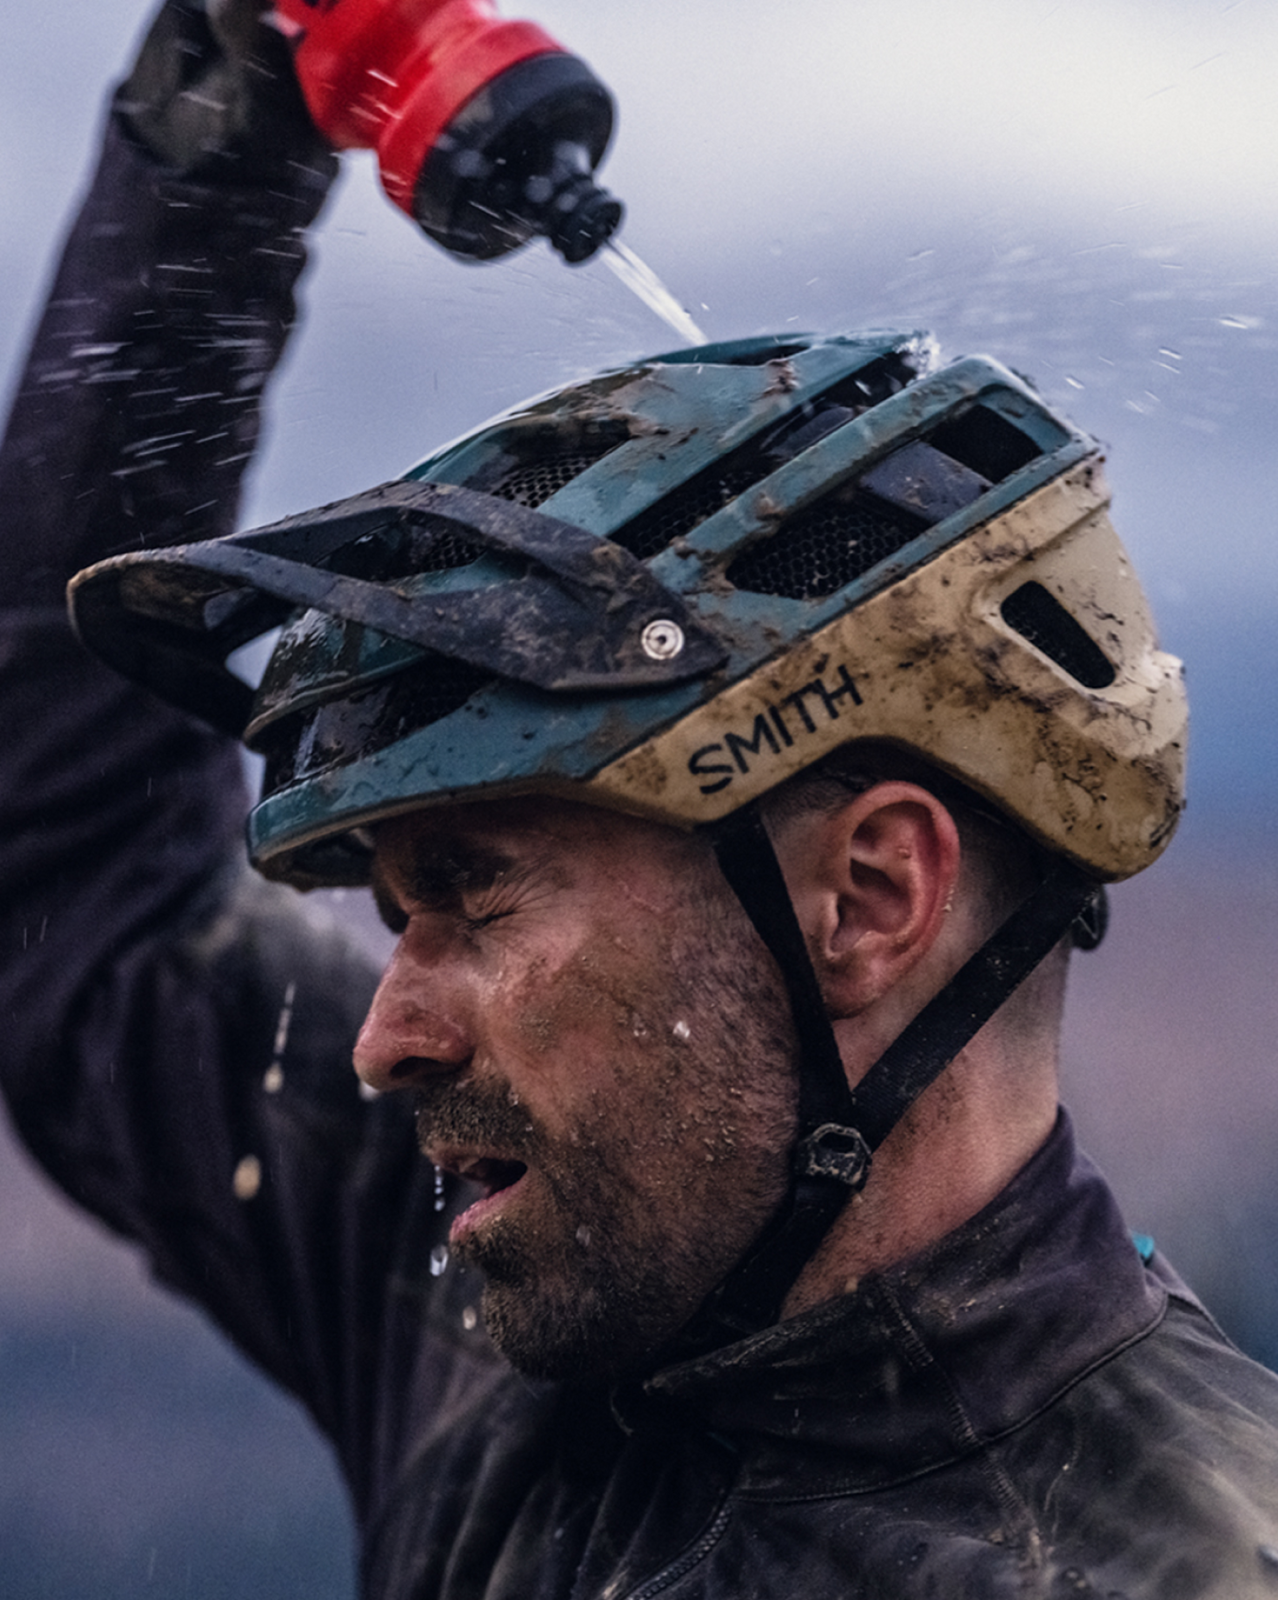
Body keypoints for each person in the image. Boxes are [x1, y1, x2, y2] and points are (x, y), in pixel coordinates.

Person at [5, 3, 1278, 1595]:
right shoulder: (527, 1311)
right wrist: (218, 142)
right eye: (395, 915)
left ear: (869, 898)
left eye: (473, 890)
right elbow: (78, 881)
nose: (383, 1038)